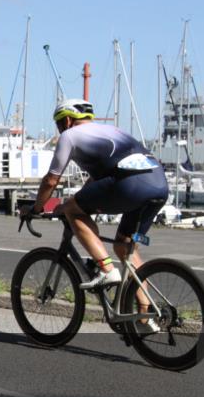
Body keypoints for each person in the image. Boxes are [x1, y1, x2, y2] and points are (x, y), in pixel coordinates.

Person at [21, 99, 169, 327]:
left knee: (73, 210)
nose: (60, 128)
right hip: (159, 184)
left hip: (130, 184)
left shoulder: (70, 136)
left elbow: (51, 180)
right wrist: (79, 201)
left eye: (59, 123)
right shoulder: (112, 130)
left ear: (68, 120)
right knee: (124, 246)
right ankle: (145, 312)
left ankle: (106, 269)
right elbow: (98, 182)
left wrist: (37, 208)